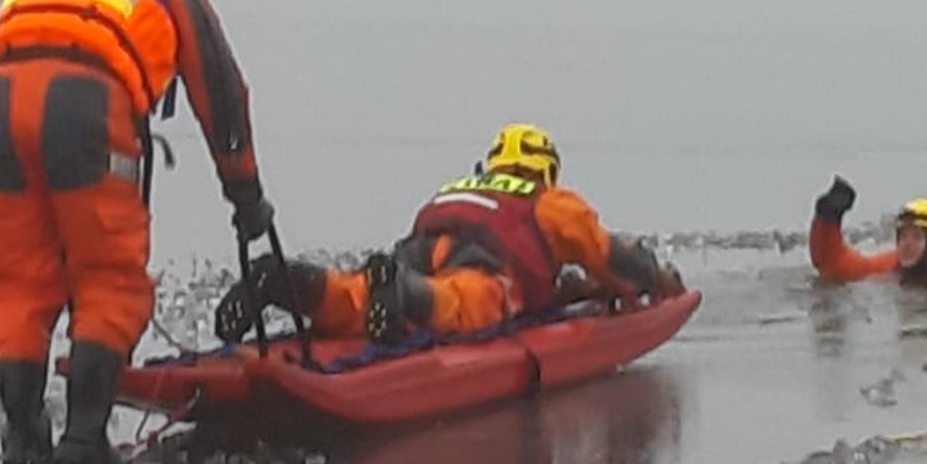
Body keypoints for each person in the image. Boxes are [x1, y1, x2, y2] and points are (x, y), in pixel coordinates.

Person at [0, 0, 274, 464]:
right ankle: (86, 440)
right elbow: (221, 94)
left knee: (20, 280)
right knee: (108, 276)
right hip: (87, 108)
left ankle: (24, 442)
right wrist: (247, 198)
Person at [213, 123, 682, 344]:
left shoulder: (465, 184)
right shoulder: (549, 201)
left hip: (422, 242)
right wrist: (656, 278)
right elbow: (612, 261)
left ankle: (289, 281)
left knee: (354, 297)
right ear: (547, 169)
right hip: (484, 260)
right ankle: (404, 293)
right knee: (464, 301)